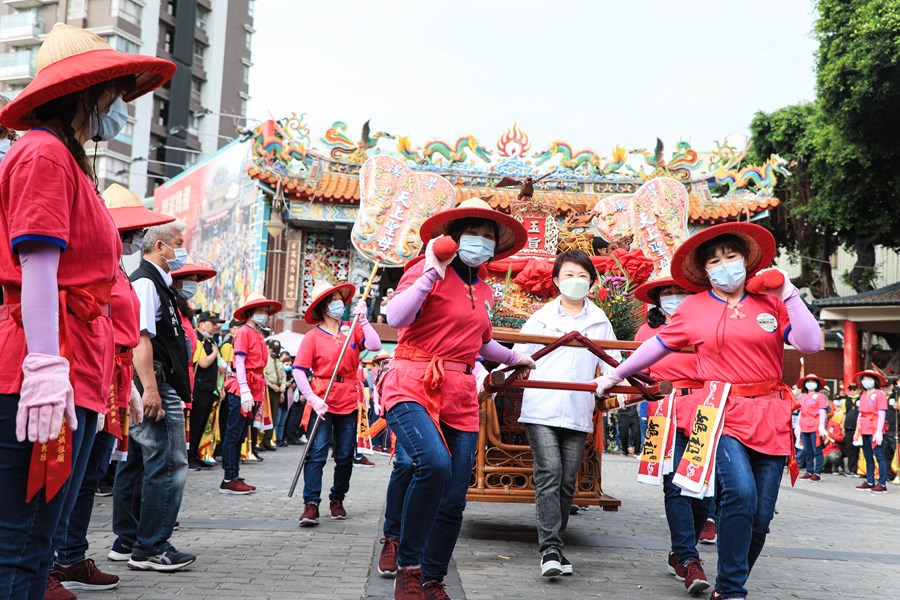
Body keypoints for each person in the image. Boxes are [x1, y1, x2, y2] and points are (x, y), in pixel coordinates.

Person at [0, 23, 174, 597]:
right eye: (113, 95)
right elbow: (40, 268)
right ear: (85, 93)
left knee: (32, 546)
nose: (120, 107)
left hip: (73, 366)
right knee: (21, 550)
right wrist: (46, 368)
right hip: (42, 365)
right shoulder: (43, 153)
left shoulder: (67, 160)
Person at [593, 222, 822, 600]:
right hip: (721, 413)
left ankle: (728, 581)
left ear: (746, 261)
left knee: (761, 519)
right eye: (715, 261)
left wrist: (789, 293)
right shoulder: (694, 308)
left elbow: (810, 344)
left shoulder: (771, 302)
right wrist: (614, 375)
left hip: (772, 413)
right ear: (705, 270)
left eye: (731, 257)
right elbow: (657, 347)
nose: (724, 265)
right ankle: (731, 590)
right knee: (740, 493)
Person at [377, 198, 534, 600]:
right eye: (473, 233)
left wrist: (516, 356)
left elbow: (481, 343)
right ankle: (408, 565)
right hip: (411, 380)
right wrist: (432, 271)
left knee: (453, 495)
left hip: (461, 392)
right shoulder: (423, 271)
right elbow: (397, 319)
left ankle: (432, 579)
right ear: (452, 237)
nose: (480, 242)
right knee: (432, 463)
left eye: (488, 236)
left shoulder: (483, 290)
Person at [46, 184, 173, 596]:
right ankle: (43, 563)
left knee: (88, 474)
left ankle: (70, 555)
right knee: (63, 475)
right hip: (83, 370)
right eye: (131, 232)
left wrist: (126, 387)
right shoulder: (87, 262)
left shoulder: (117, 268)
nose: (135, 240)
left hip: (111, 376)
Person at [510, 250, 621, 578]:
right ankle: (551, 550)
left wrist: (606, 382)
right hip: (541, 408)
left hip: (577, 409)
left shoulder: (599, 320)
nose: (576, 281)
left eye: (583, 275)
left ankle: (554, 544)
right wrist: (494, 377)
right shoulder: (542, 317)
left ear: (591, 281)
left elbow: (616, 362)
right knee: (550, 472)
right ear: (557, 281)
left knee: (567, 481)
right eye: (569, 275)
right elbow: (518, 355)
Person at [112, 219, 196, 572]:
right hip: (156, 383)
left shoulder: (157, 283)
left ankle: (129, 538)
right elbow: (141, 338)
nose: (182, 249)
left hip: (156, 382)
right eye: (178, 242)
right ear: (160, 247)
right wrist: (150, 388)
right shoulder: (147, 282)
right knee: (167, 463)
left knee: (137, 462)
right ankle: (151, 546)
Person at [631, 275, 711, 594]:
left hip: (706, 410)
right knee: (676, 485)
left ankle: (681, 551)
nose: (674, 297)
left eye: (681, 291)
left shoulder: (706, 325)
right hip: (666, 412)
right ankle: (690, 560)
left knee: (703, 489)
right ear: (656, 300)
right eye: (667, 292)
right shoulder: (647, 331)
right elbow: (636, 373)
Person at [294, 280, 382, 525]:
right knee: (317, 453)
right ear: (323, 307)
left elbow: (374, 345)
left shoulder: (352, 328)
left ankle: (337, 499)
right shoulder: (312, 337)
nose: (339, 304)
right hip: (322, 397)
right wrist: (312, 397)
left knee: (344, 455)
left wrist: (364, 320)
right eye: (333, 300)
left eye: (339, 299)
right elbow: (299, 370)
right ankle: (311, 503)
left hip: (349, 398)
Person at [220, 292, 282, 494]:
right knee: (234, 432)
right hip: (243, 385)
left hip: (254, 384)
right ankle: (229, 477)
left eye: (266, 310)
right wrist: (244, 389)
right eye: (260, 310)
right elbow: (239, 361)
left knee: (241, 433)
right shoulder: (244, 332)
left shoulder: (257, 333)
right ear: (250, 312)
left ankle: (234, 473)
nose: (264, 313)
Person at [190, 310, 226, 469]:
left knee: (203, 424)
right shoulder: (197, 339)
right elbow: (203, 362)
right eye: (212, 324)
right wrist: (215, 353)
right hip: (199, 387)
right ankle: (189, 456)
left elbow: (216, 367)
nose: (215, 327)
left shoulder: (211, 342)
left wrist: (219, 387)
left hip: (210, 388)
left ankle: (197, 454)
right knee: (195, 424)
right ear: (201, 324)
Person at [852, 370, 889, 493]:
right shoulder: (863, 395)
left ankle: (882, 483)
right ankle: (870, 481)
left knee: (879, 456)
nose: (866, 381)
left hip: (874, 425)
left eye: (869, 378)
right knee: (867, 456)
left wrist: (879, 430)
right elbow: (860, 414)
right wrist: (857, 432)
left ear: (875, 380)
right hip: (864, 427)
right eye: (865, 378)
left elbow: (882, 412)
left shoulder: (880, 394)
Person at [796, 374, 829, 482]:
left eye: (813, 381)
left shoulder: (820, 396)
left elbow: (822, 411)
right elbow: (801, 412)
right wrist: (797, 426)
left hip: (815, 424)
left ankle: (817, 472)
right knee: (807, 450)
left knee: (816, 450)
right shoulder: (803, 396)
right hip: (804, 424)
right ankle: (809, 471)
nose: (810, 383)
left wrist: (822, 425)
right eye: (808, 381)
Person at [841, 381, 861, 476]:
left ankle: (859, 469)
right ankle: (852, 469)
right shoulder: (847, 400)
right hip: (848, 428)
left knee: (859, 450)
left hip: (858, 428)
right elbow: (844, 414)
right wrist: (843, 427)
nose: (852, 391)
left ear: (859, 390)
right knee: (850, 450)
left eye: (854, 389)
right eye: (850, 389)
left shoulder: (862, 399)